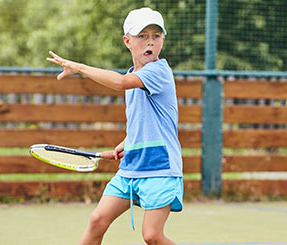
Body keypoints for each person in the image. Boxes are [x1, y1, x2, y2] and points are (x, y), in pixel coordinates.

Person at [47, 7, 183, 245]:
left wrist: (78, 67)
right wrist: (124, 144)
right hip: (131, 168)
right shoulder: (133, 74)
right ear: (127, 41)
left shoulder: (158, 72)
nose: (150, 41)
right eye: (142, 36)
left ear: (163, 39)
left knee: (152, 236)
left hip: (160, 168)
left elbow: (120, 83)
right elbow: (141, 124)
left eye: (156, 35)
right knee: (97, 219)